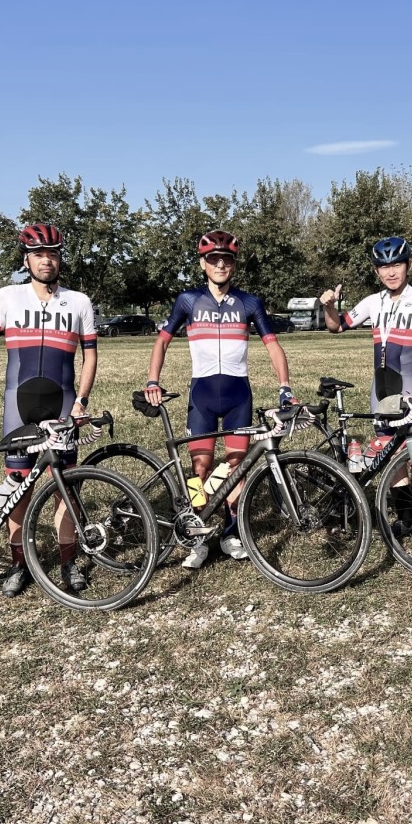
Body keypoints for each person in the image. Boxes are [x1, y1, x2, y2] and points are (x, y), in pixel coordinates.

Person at [0, 223, 98, 597]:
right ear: (26, 260)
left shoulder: (79, 302)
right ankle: (19, 564)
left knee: (65, 487)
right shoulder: (7, 297)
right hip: (19, 405)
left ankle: (67, 562)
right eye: (39, 254)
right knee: (18, 487)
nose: (47, 261)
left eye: (53, 254)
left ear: (60, 258)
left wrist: (81, 401)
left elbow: (90, 355)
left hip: (62, 404)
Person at [144, 230, 297, 569]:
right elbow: (162, 341)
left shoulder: (249, 302)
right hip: (202, 395)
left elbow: (272, 345)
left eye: (226, 259)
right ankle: (198, 536)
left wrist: (285, 385)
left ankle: (231, 533)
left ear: (234, 265)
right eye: (213, 259)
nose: (220, 265)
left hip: (237, 395)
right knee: (199, 468)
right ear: (203, 264)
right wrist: (153, 380)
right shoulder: (188, 300)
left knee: (235, 467)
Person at [319, 236, 412, 554]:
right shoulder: (373, 302)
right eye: (384, 267)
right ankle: (407, 517)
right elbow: (336, 327)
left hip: (411, 386)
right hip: (381, 388)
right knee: (390, 456)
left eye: (396, 264)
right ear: (377, 271)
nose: (391, 272)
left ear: (408, 265)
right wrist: (329, 306)